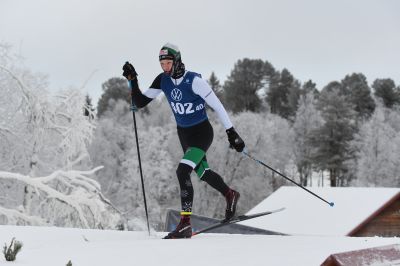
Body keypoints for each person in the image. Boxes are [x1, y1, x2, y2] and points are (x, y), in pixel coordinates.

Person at [122, 43, 245, 239]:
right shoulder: (163, 80)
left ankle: (185, 224)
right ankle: (230, 194)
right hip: (184, 134)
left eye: (169, 63)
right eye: (163, 64)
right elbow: (140, 102)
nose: (166, 68)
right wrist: (133, 80)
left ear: (177, 61)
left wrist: (232, 133)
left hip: (202, 133)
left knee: (182, 171)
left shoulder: (194, 81)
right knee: (203, 173)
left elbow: (218, 106)